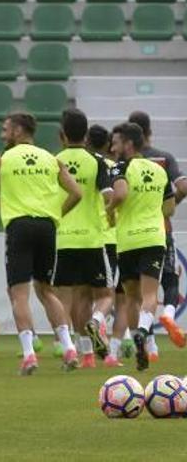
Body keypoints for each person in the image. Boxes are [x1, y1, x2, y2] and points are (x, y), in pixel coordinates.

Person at [0, 113, 83, 375]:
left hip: (19, 226)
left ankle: (29, 354)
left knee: (19, 293)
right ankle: (69, 347)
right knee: (47, 290)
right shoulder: (52, 159)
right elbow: (77, 193)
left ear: (17, 130)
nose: (3, 134)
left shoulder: (1, 160)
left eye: (5, 129)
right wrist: (56, 215)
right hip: (47, 226)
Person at [107, 122, 178, 371]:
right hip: (153, 239)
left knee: (131, 299)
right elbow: (169, 208)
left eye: (116, 142)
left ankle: (141, 337)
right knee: (150, 296)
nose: (112, 147)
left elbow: (121, 194)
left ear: (128, 144)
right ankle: (144, 334)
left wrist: (109, 211)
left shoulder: (120, 166)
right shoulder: (159, 169)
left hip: (127, 240)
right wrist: (150, 212)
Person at [52, 109, 114, 369]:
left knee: (66, 300)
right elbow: (110, 196)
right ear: (86, 134)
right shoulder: (97, 161)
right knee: (105, 295)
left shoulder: (52, 161)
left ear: (61, 135)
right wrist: (109, 217)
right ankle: (97, 321)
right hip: (91, 239)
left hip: (62, 239)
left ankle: (76, 352)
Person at [128, 111, 187, 348]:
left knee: (140, 290)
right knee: (169, 279)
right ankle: (169, 315)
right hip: (161, 229)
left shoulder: (127, 163)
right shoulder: (164, 159)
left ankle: (149, 343)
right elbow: (183, 186)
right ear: (149, 132)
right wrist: (166, 205)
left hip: (131, 232)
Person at [87, 125, 135, 365]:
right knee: (120, 297)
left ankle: (87, 346)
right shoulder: (113, 169)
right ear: (108, 144)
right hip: (115, 238)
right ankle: (112, 348)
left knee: (91, 294)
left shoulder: (88, 165)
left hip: (95, 238)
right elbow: (117, 198)